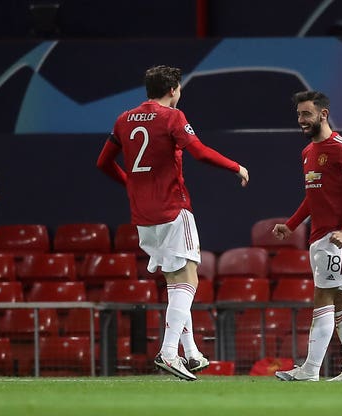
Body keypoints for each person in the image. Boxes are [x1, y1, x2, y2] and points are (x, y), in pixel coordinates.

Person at [96, 65, 249, 381]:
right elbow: (200, 153)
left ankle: (190, 352)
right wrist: (235, 166)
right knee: (188, 282)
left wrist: (129, 183)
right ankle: (168, 352)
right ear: (173, 89)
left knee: (175, 283)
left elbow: (103, 162)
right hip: (172, 209)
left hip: (142, 216)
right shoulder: (172, 118)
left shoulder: (124, 119)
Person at [273, 90, 342, 382]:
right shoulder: (307, 153)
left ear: (323, 114)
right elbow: (311, 198)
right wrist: (291, 224)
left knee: (324, 296)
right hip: (320, 237)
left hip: (339, 238)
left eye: (306, 114)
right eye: (299, 114)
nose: (301, 120)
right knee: (341, 299)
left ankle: (310, 370)